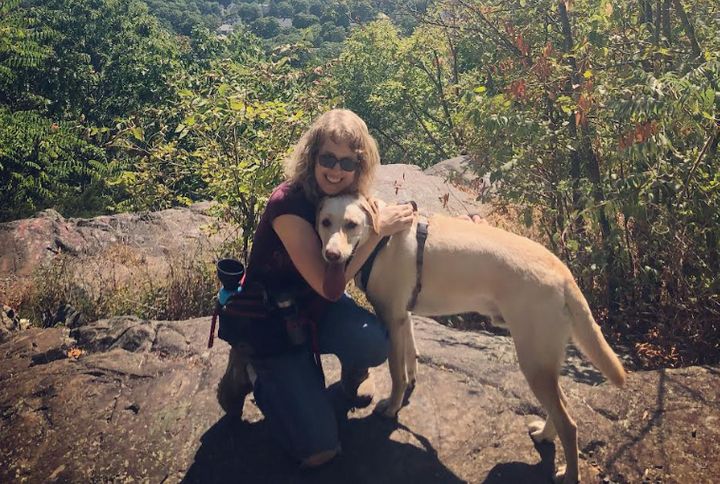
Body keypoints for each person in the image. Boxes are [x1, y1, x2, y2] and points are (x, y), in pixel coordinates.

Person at [217, 109, 415, 468]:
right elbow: (330, 288)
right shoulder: (287, 205)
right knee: (319, 451)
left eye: (347, 162)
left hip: (314, 310)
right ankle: (246, 370)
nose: (336, 170)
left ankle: (352, 373)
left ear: (359, 166)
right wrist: (377, 233)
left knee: (374, 342)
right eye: (327, 158)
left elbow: (377, 224)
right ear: (312, 156)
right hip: (271, 324)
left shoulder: (350, 198)